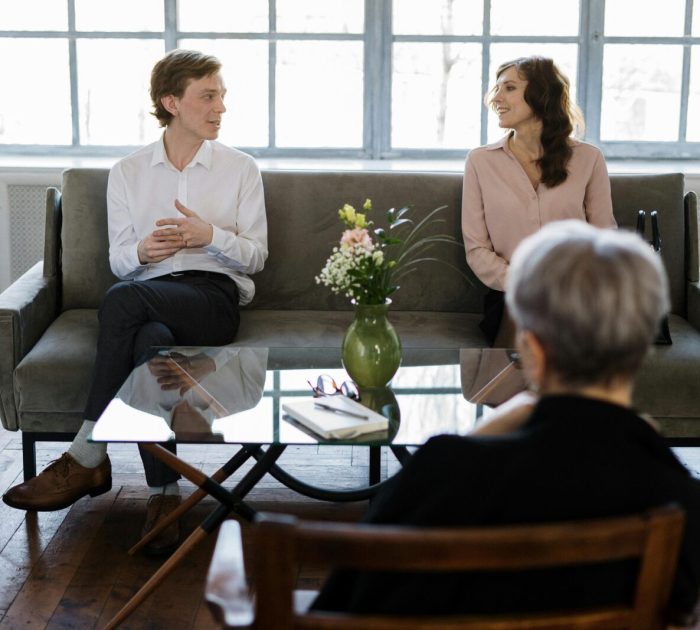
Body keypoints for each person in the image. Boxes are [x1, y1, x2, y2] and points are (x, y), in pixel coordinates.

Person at [312, 221, 700, 627]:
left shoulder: (443, 474)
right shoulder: (679, 500)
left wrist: (472, 438)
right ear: (640, 352)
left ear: (531, 350)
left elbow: (345, 600)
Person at [2, 49, 268, 555]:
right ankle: (165, 496)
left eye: (222, 96)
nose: (220, 108)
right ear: (171, 102)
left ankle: (87, 453)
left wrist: (207, 235)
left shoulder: (240, 169)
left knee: (123, 302)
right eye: (208, 96)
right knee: (150, 340)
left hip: (213, 300)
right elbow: (122, 259)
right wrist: (144, 251)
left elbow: (255, 258)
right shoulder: (128, 172)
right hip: (150, 297)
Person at [461, 56, 617, 346]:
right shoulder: (480, 162)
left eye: (509, 88)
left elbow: (604, 238)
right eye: (496, 89)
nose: (496, 98)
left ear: (542, 94)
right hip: (511, 292)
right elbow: (477, 249)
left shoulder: (588, 159)